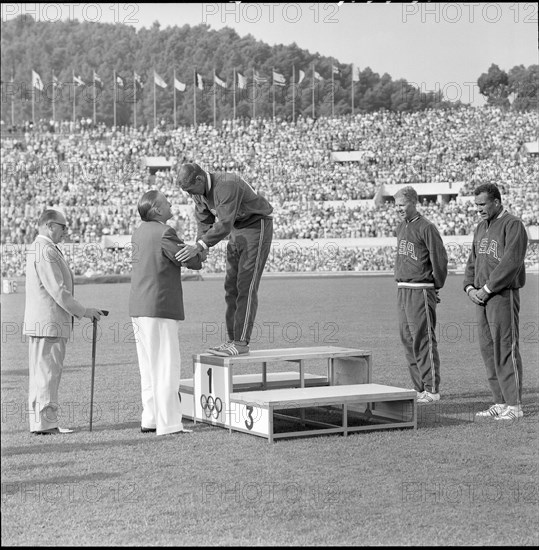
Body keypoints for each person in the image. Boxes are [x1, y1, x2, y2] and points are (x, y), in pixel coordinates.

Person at [175, 162, 273, 357]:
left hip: (255, 225)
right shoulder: (198, 192)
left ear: (200, 179)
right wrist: (200, 251)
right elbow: (204, 223)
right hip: (237, 229)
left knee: (246, 284)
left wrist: (200, 246)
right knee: (231, 287)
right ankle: (232, 340)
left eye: (190, 189)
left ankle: (241, 342)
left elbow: (225, 224)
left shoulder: (226, 184)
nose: (189, 195)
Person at [129, 190, 205, 435]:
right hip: (159, 306)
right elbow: (189, 260)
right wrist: (201, 251)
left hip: (139, 307)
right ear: (156, 210)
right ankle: (170, 423)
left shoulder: (138, 232)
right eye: (166, 202)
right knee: (165, 365)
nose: (171, 204)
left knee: (148, 367)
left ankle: (150, 418)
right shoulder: (165, 232)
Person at [23, 209, 105, 435]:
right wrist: (84, 311)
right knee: (48, 373)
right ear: (50, 225)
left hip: (43, 322)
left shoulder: (40, 247)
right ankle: (46, 424)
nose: (65, 231)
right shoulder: (46, 249)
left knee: (42, 373)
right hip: (49, 322)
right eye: (63, 226)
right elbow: (58, 291)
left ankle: (40, 422)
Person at [464, 183, 528, 421]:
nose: (478, 209)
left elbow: (511, 262)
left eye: (482, 204)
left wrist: (487, 289)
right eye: (476, 204)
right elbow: (473, 260)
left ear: (497, 202)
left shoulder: (513, 225)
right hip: (480, 298)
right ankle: (500, 402)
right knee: (488, 351)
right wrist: (470, 287)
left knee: (505, 348)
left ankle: (515, 405)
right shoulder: (481, 227)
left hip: (502, 295)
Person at [394, 186, 448, 404]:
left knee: (422, 339)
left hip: (420, 289)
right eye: (396, 205)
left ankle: (431, 389)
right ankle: (418, 388)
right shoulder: (400, 227)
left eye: (403, 205)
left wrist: (435, 286)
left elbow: (439, 259)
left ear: (414, 203)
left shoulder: (427, 227)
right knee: (407, 340)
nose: (398, 209)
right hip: (402, 289)